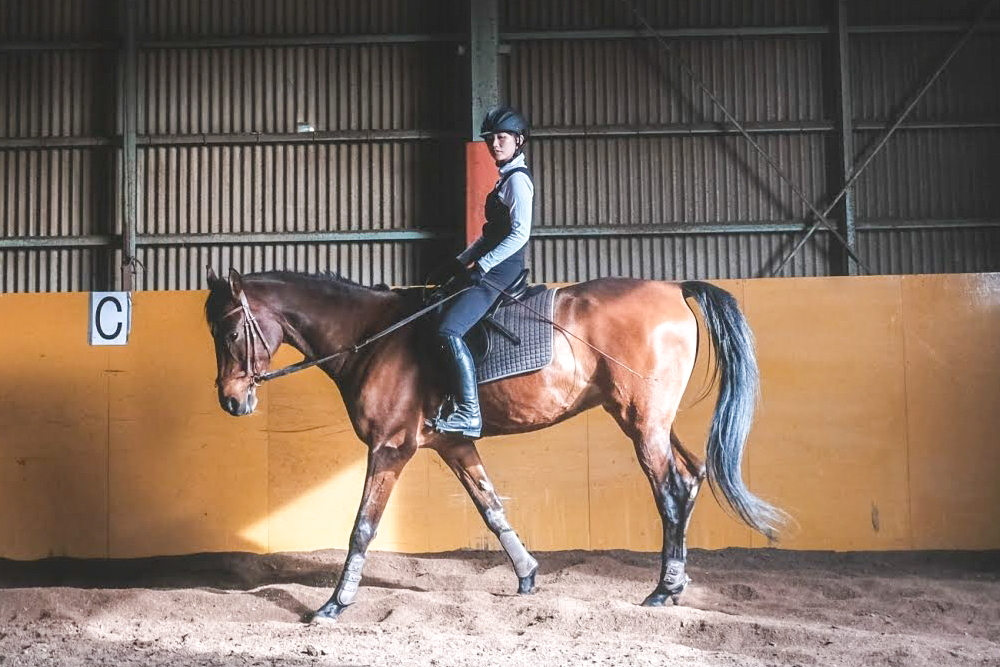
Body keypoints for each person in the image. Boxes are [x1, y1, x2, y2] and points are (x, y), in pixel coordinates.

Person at [432, 105, 534, 439]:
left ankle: (469, 414)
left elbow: (519, 234)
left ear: (518, 140)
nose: (494, 144)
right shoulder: (504, 179)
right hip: (490, 265)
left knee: (449, 330)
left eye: (502, 138)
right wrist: (460, 261)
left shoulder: (518, 181)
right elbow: (490, 235)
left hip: (501, 272)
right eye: (491, 139)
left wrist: (483, 267)